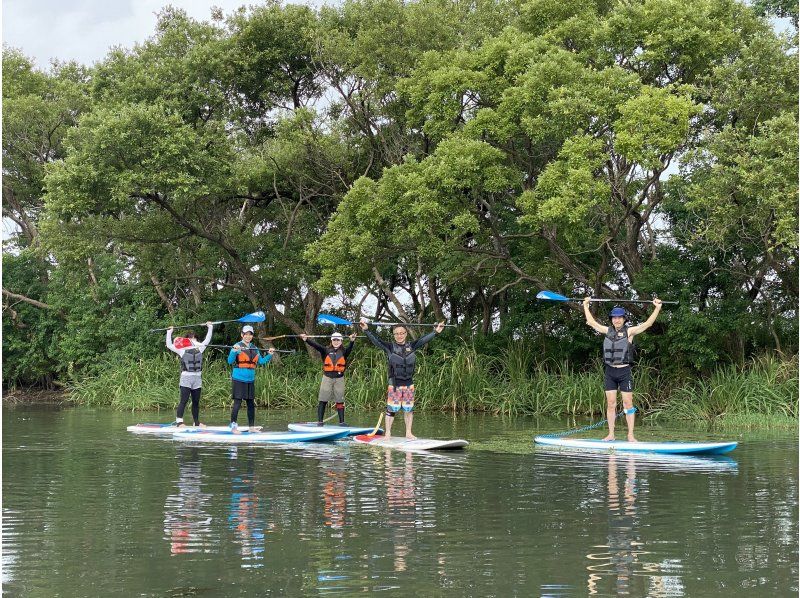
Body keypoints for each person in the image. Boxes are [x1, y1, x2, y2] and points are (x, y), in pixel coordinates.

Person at [583, 297, 663, 442]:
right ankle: (611, 434)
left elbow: (648, 323)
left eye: (619, 318)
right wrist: (585, 305)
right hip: (610, 372)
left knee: (628, 403)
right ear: (611, 319)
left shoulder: (630, 331)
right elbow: (592, 323)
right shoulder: (607, 330)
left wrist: (657, 308)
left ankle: (631, 435)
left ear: (624, 319)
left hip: (624, 372)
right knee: (611, 403)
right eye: (614, 318)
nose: (617, 320)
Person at [359, 318, 446, 439]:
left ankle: (408, 432)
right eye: (396, 334)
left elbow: (423, 339)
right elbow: (376, 341)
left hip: (409, 383)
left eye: (402, 333)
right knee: (392, 409)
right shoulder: (389, 347)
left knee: (408, 409)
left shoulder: (412, 345)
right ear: (393, 335)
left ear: (405, 333)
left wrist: (436, 332)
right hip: (395, 383)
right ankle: (388, 433)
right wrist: (367, 330)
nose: (399, 336)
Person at [300, 331, 359, 425]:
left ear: (341, 341)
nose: (336, 341)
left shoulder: (344, 352)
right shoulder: (326, 350)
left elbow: (350, 348)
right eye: (334, 340)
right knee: (323, 399)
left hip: (339, 378)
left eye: (338, 340)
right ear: (331, 341)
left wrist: (352, 341)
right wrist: (306, 339)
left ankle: (342, 422)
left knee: (340, 400)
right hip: (327, 378)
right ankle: (320, 421)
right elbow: (316, 345)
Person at [227, 325, 275, 433]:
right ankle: (233, 427)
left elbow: (261, 361)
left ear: (252, 336)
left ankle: (251, 427)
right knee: (237, 403)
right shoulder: (237, 346)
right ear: (242, 335)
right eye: (246, 334)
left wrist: (269, 355)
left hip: (250, 379)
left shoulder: (255, 348)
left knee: (250, 404)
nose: (248, 336)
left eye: (250, 334)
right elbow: (230, 361)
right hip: (239, 378)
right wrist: (234, 352)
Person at [166, 322, 214, 427]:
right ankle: (179, 422)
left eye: (195, 339)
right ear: (186, 341)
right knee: (184, 400)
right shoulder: (182, 350)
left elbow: (207, 340)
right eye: (190, 339)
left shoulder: (200, 348)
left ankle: (196, 422)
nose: (193, 340)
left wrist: (210, 327)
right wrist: (169, 332)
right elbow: (169, 345)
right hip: (186, 378)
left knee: (196, 402)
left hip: (197, 379)